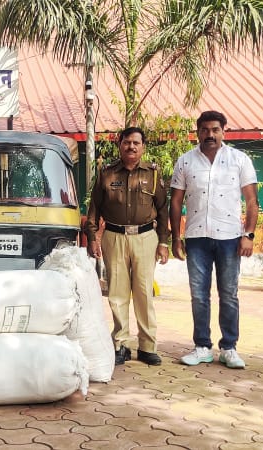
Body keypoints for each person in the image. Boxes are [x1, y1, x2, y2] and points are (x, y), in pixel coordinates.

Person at [169, 110, 258, 369]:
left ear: (223, 131)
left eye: (215, 129)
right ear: (197, 132)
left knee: (229, 294)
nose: (210, 134)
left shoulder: (239, 160)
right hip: (196, 237)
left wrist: (248, 235)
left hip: (230, 237)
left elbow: (251, 201)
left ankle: (229, 347)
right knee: (199, 295)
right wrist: (176, 237)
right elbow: (175, 202)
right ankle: (202, 346)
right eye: (205, 130)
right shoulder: (185, 161)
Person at [84, 127, 169, 366]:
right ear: (119, 145)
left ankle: (147, 346)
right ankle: (121, 344)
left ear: (143, 147)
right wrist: (92, 237)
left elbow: (162, 210)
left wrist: (164, 242)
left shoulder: (153, 174)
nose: (131, 147)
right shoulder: (107, 174)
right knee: (118, 293)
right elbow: (94, 209)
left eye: (136, 143)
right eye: (127, 142)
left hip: (145, 238)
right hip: (114, 236)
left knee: (144, 293)